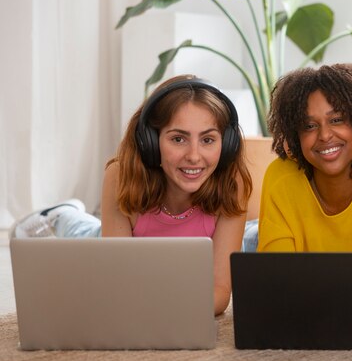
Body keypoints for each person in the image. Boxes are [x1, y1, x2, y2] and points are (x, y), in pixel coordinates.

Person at [10, 75, 253, 315]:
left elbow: (220, 292)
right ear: (150, 140)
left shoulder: (233, 183)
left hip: (190, 271)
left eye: (208, 139)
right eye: (178, 139)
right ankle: (61, 215)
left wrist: (159, 309)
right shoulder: (120, 175)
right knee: (86, 235)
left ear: (227, 143)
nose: (193, 155)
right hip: (128, 246)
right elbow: (117, 283)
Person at [255, 63, 352, 315]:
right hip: (308, 327)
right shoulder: (281, 178)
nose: (325, 135)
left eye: (337, 120)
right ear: (293, 135)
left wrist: (341, 307)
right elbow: (277, 281)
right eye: (309, 126)